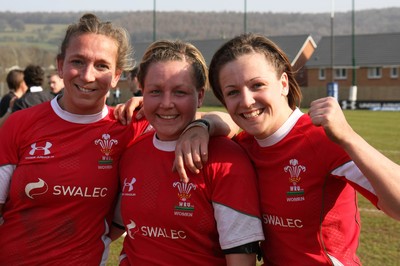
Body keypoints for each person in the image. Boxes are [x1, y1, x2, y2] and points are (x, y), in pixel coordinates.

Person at [0, 13, 236, 265]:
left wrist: (203, 125)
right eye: (78, 61)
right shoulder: (20, 124)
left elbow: (231, 122)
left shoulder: (128, 125)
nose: (88, 75)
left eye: (101, 66)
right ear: (60, 65)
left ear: (116, 76)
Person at [207, 33, 400, 265]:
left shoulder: (323, 138)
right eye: (232, 92)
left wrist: (349, 137)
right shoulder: (242, 147)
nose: (247, 101)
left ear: (284, 84)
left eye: (257, 85)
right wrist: (202, 125)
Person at [113, 39, 264, 266]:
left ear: (200, 96)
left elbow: (241, 259)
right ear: (142, 93)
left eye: (180, 92)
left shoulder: (226, 160)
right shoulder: (131, 152)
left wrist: (203, 125)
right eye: (155, 91)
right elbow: (119, 229)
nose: (166, 103)